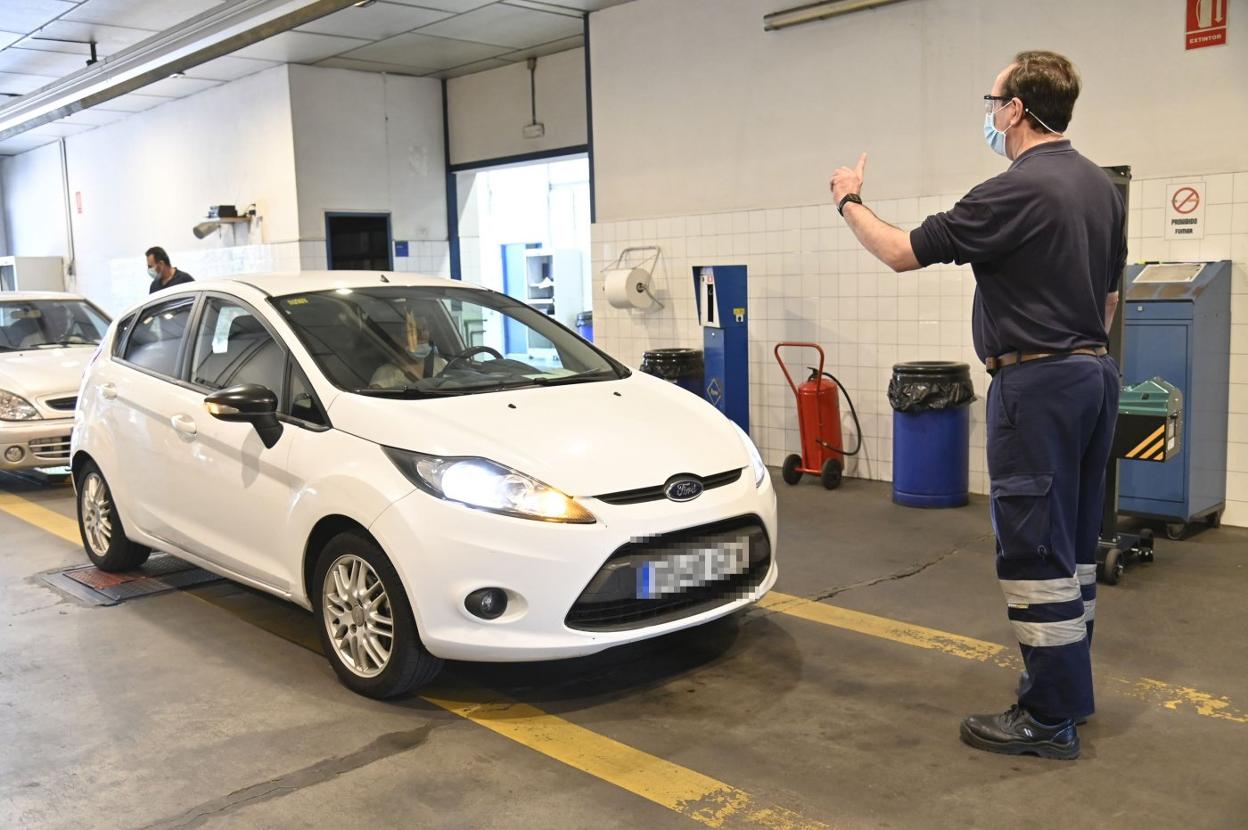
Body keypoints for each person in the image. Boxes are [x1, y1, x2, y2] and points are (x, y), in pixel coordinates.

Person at [829, 50, 1124, 760]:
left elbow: (901, 253)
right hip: (1093, 375)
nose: (989, 114)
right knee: (1075, 548)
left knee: (1033, 548)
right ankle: (1067, 695)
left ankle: (1047, 717)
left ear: (1017, 108)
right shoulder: (1100, 188)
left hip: (1038, 385)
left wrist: (848, 199)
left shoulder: (1013, 190)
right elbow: (1110, 298)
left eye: (992, 101)